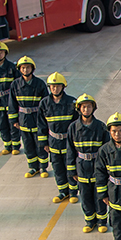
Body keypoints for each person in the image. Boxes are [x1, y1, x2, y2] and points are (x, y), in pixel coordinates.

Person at [67, 93, 110, 233]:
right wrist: (72, 171)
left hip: (98, 167)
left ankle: (102, 221)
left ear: (93, 108)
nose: (86, 109)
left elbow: (107, 150)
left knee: (100, 195)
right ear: (79, 109)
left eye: (89, 107)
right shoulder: (73, 127)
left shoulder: (101, 127)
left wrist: (107, 170)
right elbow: (70, 151)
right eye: (84, 107)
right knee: (85, 197)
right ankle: (90, 221)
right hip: (82, 168)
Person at [37, 72, 77, 203]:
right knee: (58, 169)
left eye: (58, 86)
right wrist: (44, 143)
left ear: (63, 86)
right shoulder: (44, 104)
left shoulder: (72, 102)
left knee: (70, 167)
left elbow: (77, 125)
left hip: (68, 143)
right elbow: (41, 125)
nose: (55, 88)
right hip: (53, 143)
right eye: (52, 86)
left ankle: (73, 192)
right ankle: (63, 192)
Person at [8, 56, 49, 178]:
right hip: (23, 121)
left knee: (40, 145)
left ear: (32, 69)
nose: (25, 70)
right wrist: (14, 120)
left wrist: (46, 120)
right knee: (28, 146)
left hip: (37, 120)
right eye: (23, 68)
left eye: (28, 67)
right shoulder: (15, 85)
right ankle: (33, 168)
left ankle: (43, 168)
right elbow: (12, 104)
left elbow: (46, 104)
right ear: (20, 69)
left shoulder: (40, 84)